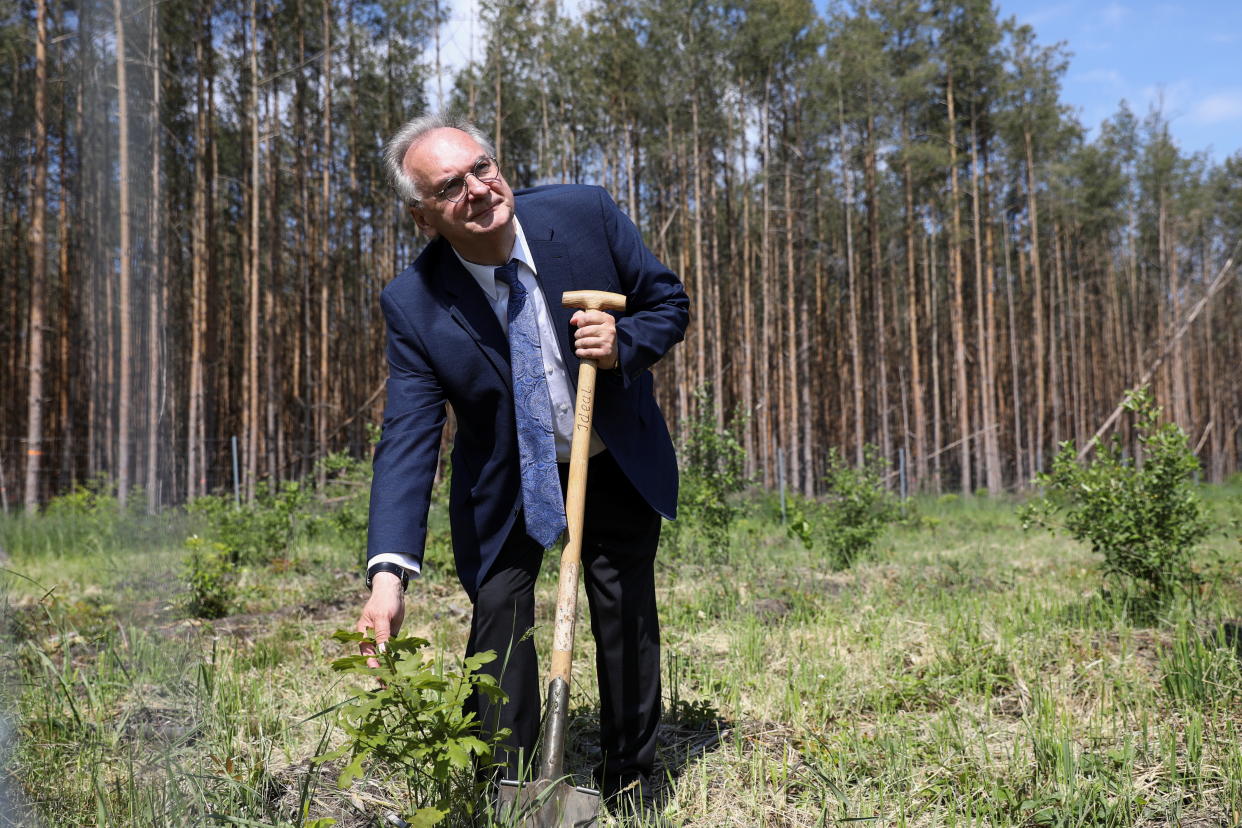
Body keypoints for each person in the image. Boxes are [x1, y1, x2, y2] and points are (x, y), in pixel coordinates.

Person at [354, 112, 689, 809]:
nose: (477, 189)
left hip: (608, 451)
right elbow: (408, 437)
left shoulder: (585, 213)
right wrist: (388, 575)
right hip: (509, 476)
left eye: (482, 166)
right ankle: (509, 787)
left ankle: (630, 781)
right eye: (450, 186)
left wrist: (623, 340)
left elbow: (668, 302)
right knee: (500, 611)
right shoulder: (414, 305)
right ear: (424, 218)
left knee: (622, 605)